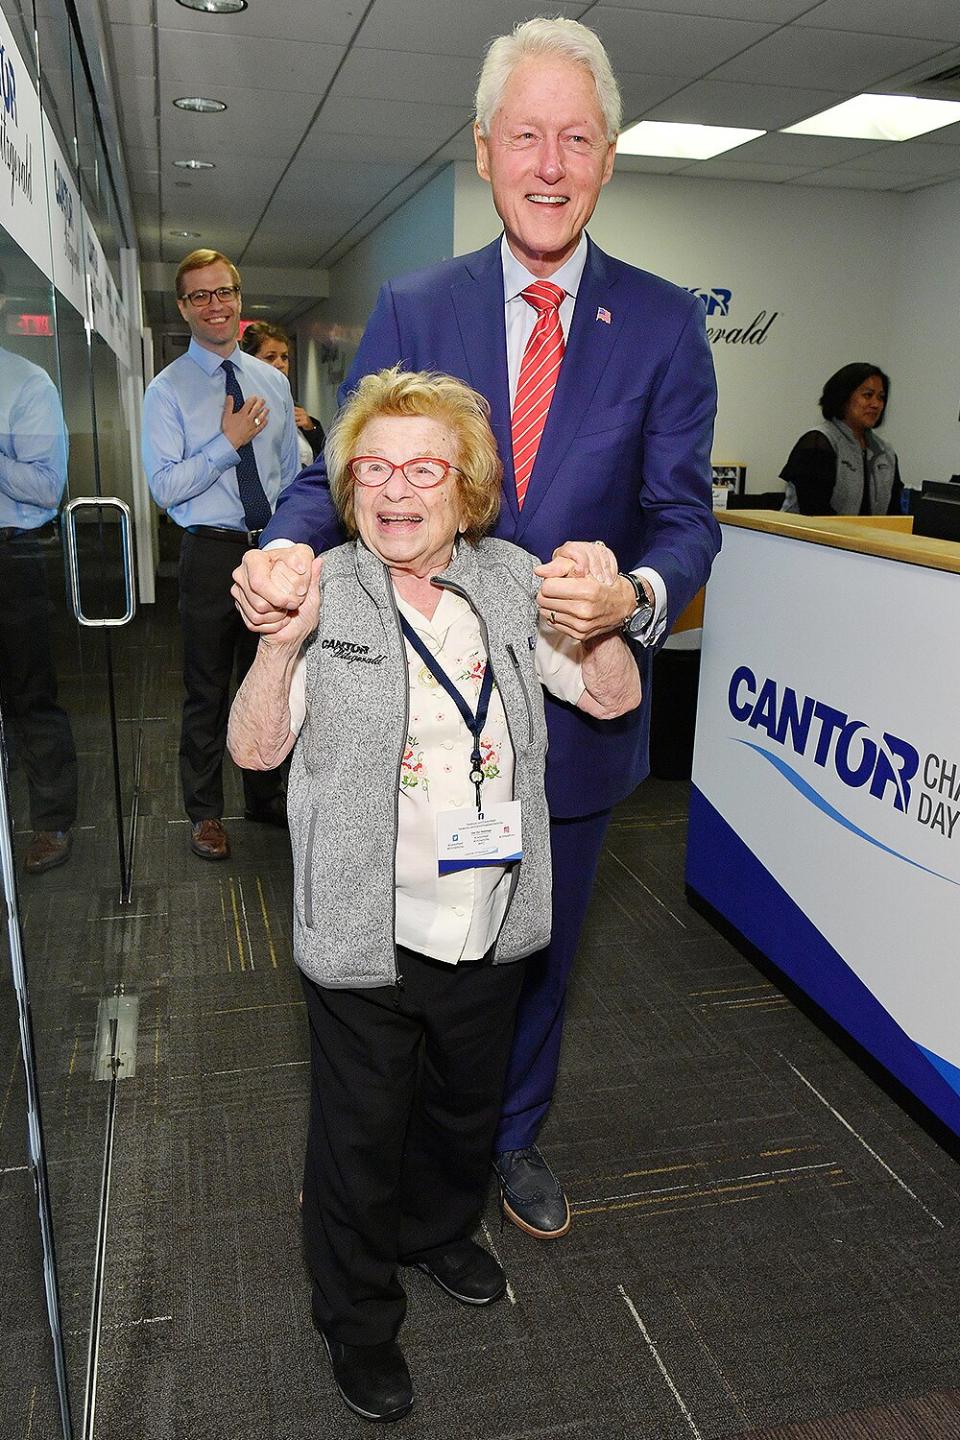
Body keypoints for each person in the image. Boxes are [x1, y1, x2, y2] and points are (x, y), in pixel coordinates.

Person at [231, 17, 720, 1238]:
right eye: (525, 138)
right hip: (411, 701)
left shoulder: (661, 325)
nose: (549, 165)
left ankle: (508, 1143)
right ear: (486, 150)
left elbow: (683, 518)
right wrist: (287, 545)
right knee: (398, 949)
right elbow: (343, 471)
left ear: (608, 156)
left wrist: (637, 600)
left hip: (574, 710)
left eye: (575, 139)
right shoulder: (415, 302)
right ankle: (384, 1152)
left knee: (533, 960)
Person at [227, 367, 641, 1423]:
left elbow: (606, 695)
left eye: (424, 468)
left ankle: (439, 1232)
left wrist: (606, 611)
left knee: (462, 1113)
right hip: (369, 927)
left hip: (491, 917)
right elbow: (254, 748)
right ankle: (356, 1320)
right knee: (359, 1137)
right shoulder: (321, 583)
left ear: (468, 487)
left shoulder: (511, 579)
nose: (396, 490)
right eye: (374, 468)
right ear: (351, 484)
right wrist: (279, 651)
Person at [142, 249, 299, 860]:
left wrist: (294, 543)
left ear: (239, 298)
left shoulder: (272, 382)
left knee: (270, 680)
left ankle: (264, 796)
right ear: (183, 308)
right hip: (210, 553)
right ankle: (204, 812)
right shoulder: (168, 391)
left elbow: (288, 473)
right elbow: (166, 488)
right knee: (207, 688)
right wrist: (226, 443)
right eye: (200, 296)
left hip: (272, 552)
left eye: (224, 292)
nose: (215, 305)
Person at [0, 274, 77, 874]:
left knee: (29, 698)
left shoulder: (25, 383)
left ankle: (50, 820)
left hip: (11, 555)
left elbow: (46, 489)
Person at [781, 363, 902, 515]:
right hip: (807, 537)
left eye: (881, 397)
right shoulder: (818, 442)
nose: (876, 404)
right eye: (867, 395)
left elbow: (894, 515)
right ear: (843, 397)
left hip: (866, 537)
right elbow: (814, 512)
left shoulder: (885, 452)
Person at [240, 320, 325, 468]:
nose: (280, 364)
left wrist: (311, 429)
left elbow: (323, 457)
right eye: (270, 357)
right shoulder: (242, 407)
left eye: (284, 357)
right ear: (250, 360)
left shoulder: (293, 407)